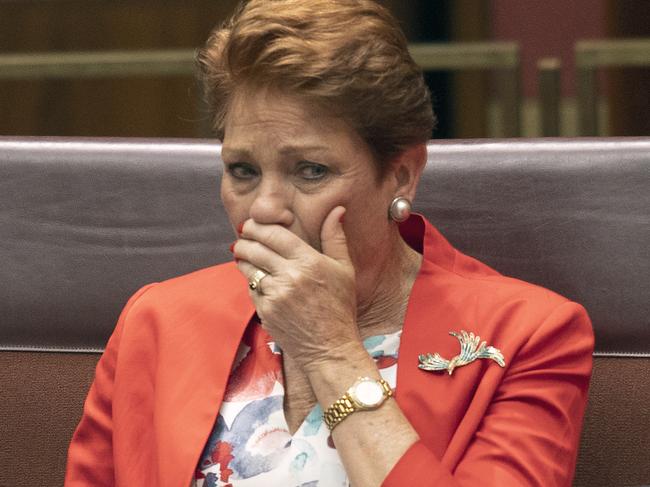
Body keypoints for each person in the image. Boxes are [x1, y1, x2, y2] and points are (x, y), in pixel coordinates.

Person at [65, 1, 594, 486]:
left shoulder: (530, 335)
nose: (265, 208)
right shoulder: (156, 321)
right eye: (243, 169)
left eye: (311, 170)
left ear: (402, 174)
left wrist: (332, 351)